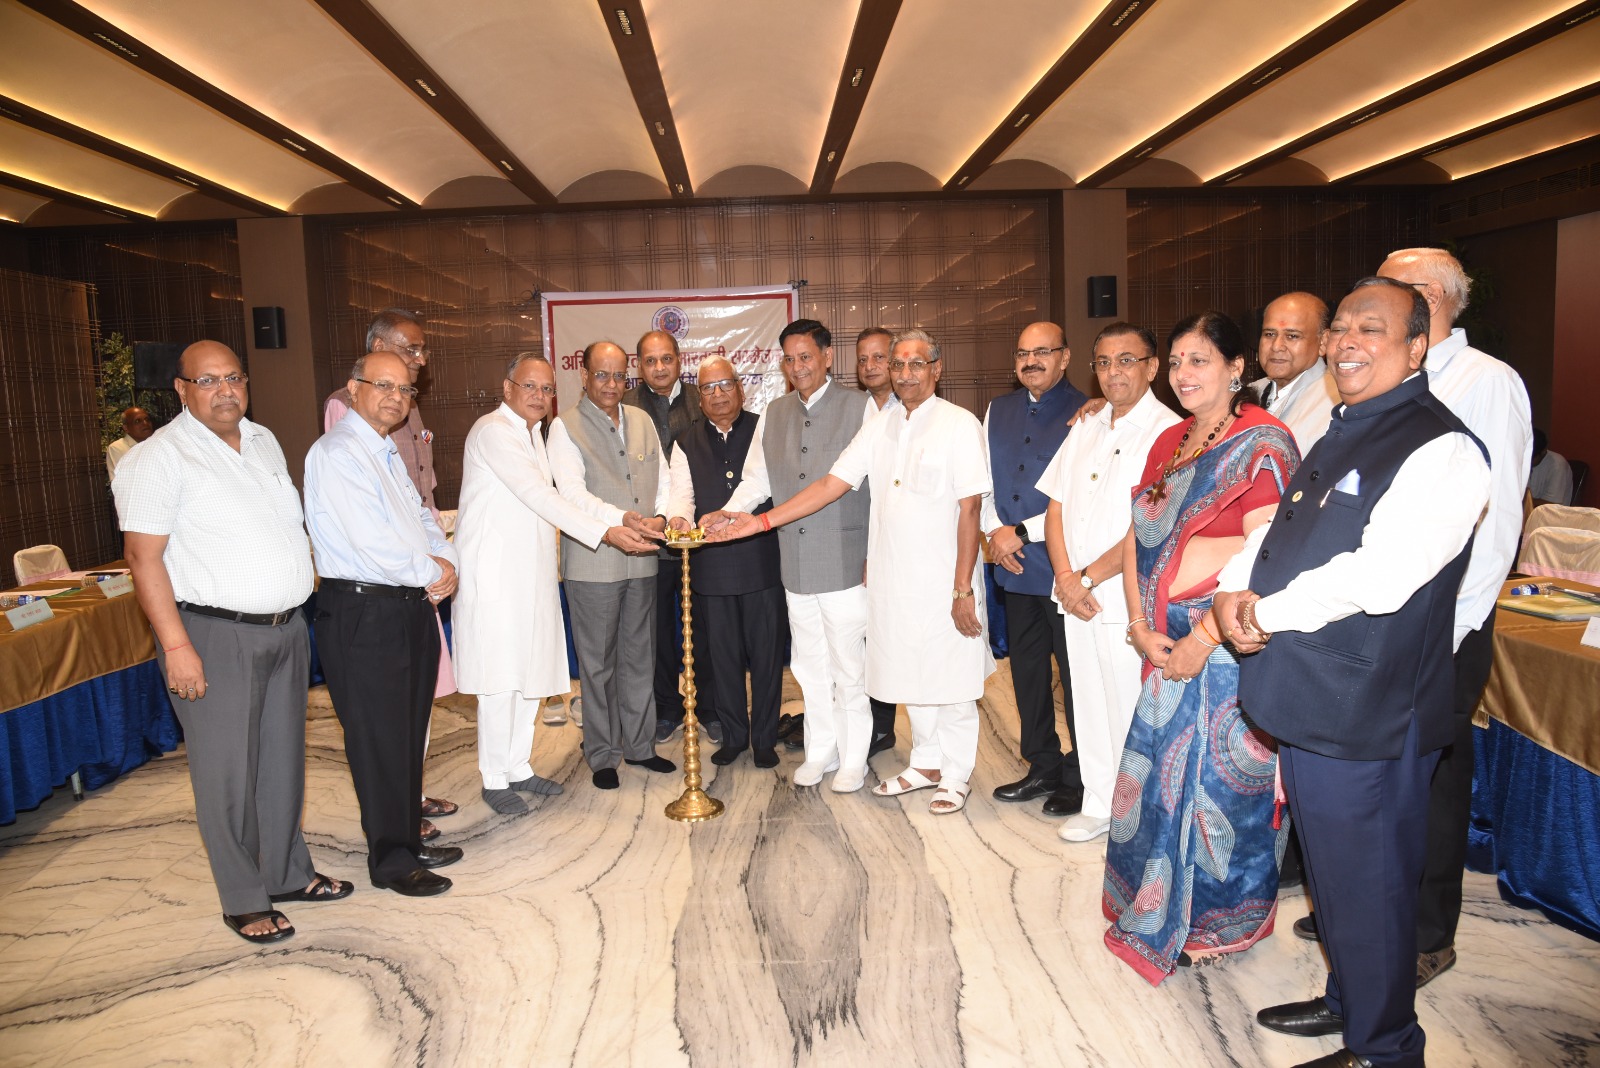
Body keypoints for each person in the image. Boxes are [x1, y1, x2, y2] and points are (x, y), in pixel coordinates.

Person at [1221, 277, 1491, 1068]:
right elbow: (1282, 535)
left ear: (1418, 346)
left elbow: (1383, 576)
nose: (1347, 342)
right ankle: (1350, 1001)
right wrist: (1236, 588)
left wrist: (1264, 615)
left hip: (1367, 708)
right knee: (1338, 877)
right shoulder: (1347, 426)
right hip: (1315, 700)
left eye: (1372, 329)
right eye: (1341, 326)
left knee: (1371, 885)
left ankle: (1385, 1046)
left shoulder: (1441, 448)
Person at [115, 341, 347, 944]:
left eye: (234, 378)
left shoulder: (263, 440)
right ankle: (243, 898)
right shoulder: (158, 459)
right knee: (227, 775)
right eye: (208, 380)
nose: (225, 390)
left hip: (284, 628)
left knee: (281, 764)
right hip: (214, 635)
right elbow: (143, 558)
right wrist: (176, 646)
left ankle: (287, 873)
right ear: (181, 389)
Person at [708, 328, 995, 813]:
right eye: (898, 365)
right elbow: (832, 483)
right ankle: (926, 763)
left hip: (945, 577)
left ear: (936, 369)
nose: (905, 374)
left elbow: (971, 508)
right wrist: (759, 521)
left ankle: (956, 773)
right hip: (893, 577)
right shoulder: (883, 425)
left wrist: (963, 587)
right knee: (911, 674)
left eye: (916, 364)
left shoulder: (958, 423)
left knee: (950, 676)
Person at [1103, 311, 1299, 985]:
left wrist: (1202, 637)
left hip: (1224, 649)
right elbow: (1139, 537)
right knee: (1159, 787)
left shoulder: (1261, 443)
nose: (1184, 374)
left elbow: (1268, 555)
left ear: (1236, 367)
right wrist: (1137, 622)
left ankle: (1220, 924)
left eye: (1200, 360)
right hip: (1162, 642)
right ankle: (1153, 903)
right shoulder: (1170, 441)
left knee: (1219, 793)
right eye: (1177, 361)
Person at [1375, 247, 1532, 986]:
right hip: (1385, 610)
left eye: (1389, 288)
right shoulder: (1393, 373)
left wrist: (1459, 624)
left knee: (1435, 775)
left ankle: (1428, 934)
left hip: (1448, 618)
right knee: (1383, 772)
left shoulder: (1485, 381)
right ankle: (1377, 911)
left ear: (1430, 298)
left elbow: (1498, 519)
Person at [453, 353, 657, 814]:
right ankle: (494, 778)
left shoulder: (533, 436)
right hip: (496, 581)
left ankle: (519, 767)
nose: (540, 396)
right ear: (507, 388)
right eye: (530, 386)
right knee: (500, 682)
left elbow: (562, 498)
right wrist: (606, 531)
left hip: (533, 577)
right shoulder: (493, 431)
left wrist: (615, 520)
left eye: (547, 389)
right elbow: (540, 496)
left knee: (530, 677)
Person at [305, 351, 462, 897]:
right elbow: (372, 543)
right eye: (383, 385)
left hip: (407, 604)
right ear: (353, 389)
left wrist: (447, 561)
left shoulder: (387, 449)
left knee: (408, 734)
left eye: (405, 389)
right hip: (365, 610)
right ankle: (392, 862)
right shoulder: (338, 453)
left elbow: (422, 518)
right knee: (379, 741)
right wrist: (433, 571)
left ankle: (407, 838)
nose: (397, 397)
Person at [712, 319, 874, 792]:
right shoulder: (775, 412)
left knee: (849, 667)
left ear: (827, 357)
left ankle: (854, 757)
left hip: (845, 560)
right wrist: (728, 512)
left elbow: (869, 486)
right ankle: (821, 749)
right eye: (789, 359)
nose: (798, 366)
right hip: (795, 564)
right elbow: (758, 479)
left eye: (806, 356)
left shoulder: (861, 407)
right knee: (808, 666)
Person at [1039, 323, 1180, 844]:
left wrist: (1087, 578)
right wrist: (1065, 578)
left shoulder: (1170, 431)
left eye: (1126, 360)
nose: (1113, 372)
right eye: (1103, 362)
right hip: (1075, 593)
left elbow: (1145, 526)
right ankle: (1099, 802)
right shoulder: (1087, 424)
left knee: (1127, 707)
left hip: (1124, 598)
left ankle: (1136, 816)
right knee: (1088, 703)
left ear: (1152, 366)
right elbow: (1055, 506)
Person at [547, 341, 677, 790]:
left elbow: (664, 478)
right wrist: (622, 519)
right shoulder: (564, 427)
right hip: (593, 563)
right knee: (598, 664)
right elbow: (571, 493)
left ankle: (640, 746)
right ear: (583, 375)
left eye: (619, 375)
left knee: (640, 659)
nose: (610, 384)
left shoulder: (641, 420)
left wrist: (660, 516)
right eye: (601, 374)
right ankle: (602, 752)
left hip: (642, 560)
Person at [983, 322, 1087, 816]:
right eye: (1023, 352)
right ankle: (1042, 764)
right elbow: (983, 483)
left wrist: (1018, 532)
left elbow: (1081, 499)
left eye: (1043, 351)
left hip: (1065, 571)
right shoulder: (997, 409)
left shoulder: (1089, 413)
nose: (1031, 361)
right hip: (1014, 568)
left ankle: (1082, 774)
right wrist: (994, 532)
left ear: (1064, 357)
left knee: (1076, 679)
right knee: (1026, 676)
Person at [665, 356, 784, 768]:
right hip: (711, 567)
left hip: (762, 561)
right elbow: (681, 494)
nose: (717, 395)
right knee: (722, 659)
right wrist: (678, 518)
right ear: (699, 397)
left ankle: (765, 739)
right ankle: (734, 737)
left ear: (741, 388)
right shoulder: (685, 441)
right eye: (708, 388)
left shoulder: (764, 429)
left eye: (725, 385)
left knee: (767, 658)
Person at [621, 329, 713, 747]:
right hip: (648, 539)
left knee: (707, 629)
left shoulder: (702, 398)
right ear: (639, 366)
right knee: (655, 633)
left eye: (666, 359)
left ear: (679, 360)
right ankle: (666, 708)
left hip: (701, 537)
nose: (659, 368)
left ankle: (711, 708)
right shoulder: (624, 407)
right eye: (650, 361)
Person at [856, 326, 902, 757]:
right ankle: (864, 723)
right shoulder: (854, 410)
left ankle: (884, 726)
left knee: (892, 638)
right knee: (863, 639)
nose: (870, 366)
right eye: (862, 359)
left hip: (902, 546)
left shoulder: (914, 410)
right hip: (857, 538)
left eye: (878, 357)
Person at [1253, 292, 1339, 452]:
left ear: (1323, 342)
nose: (1276, 346)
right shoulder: (1249, 393)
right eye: (1269, 334)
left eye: (1292, 336)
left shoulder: (1338, 403)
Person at [105, 405, 153, 481]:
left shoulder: (156, 444)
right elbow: (125, 479)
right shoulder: (117, 448)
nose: (145, 423)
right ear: (126, 428)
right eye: (138, 421)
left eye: (147, 419)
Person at [1529, 428, 1574, 507]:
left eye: (1531, 459)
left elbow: (1551, 504)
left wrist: (1524, 500)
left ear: (1543, 451)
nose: (1527, 461)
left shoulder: (1557, 465)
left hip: (1553, 513)